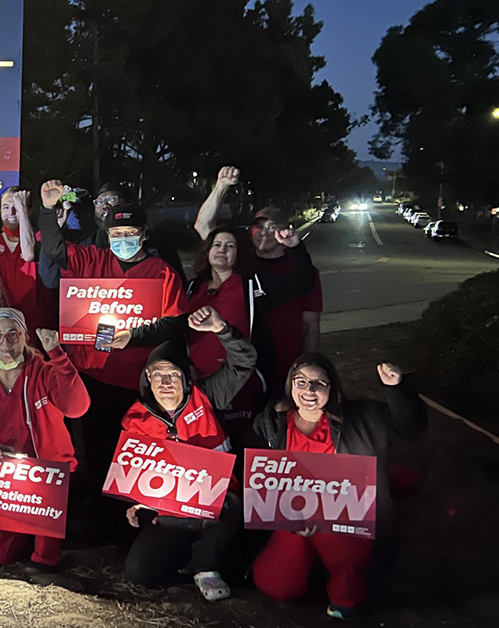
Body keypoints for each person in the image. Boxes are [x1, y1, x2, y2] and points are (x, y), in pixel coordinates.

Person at [39, 180, 186, 509]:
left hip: (136, 380)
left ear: (143, 234)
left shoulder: (162, 273)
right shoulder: (93, 260)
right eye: (115, 235)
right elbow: (53, 250)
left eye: (129, 233)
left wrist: (132, 337)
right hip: (93, 375)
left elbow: (174, 323)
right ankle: (99, 512)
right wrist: (48, 211)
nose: (122, 240)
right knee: (94, 447)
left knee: (133, 450)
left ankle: (132, 512)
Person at [250, 356, 426, 620]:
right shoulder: (272, 423)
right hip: (294, 517)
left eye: (318, 383)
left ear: (331, 388)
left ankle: (346, 598)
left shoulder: (361, 416)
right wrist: (282, 515)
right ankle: (314, 572)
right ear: (291, 385)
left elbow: (409, 427)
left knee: (348, 569)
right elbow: (262, 476)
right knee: (275, 584)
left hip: (342, 516)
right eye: (302, 382)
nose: (309, 391)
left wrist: (397, 388)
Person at [117, 307, 257, 602]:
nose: (165, 383)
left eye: (173, 374)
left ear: (186, 376)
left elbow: (244, 363)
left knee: (232, 510)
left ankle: (206, 566)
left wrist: (222, 329)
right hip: (172, 514)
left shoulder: (207, 397)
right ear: (147, 377)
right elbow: (134, 472)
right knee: (139, 572)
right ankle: (191, 567)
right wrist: (139, 504)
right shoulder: (135, 419)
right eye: (158, 375)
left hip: (215, 505)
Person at [0, 309, 90, 569]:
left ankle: (47, 534)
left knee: (45, 559)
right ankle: (24, 533)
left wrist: (58, 355)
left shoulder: (44, 370)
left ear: (25, 337)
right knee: (0, 556)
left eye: (12, 335)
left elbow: (77, 408)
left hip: (45, 474)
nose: (5, 344)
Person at [117, 226, 266, 435]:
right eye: (217, 245)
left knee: (237, 434)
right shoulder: (194, 287)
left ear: (238, 253)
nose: (222, 250)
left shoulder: (251, 286)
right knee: (201, 433)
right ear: (207, 251)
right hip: (196, 378)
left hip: (235, 376)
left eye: (230, 246)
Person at [194, 167, 320, 387]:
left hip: (281, 368)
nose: (264, 232)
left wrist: (307, 366)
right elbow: (203, 226)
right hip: (232, 368)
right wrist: (221, 186)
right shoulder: (240, 267)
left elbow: (311, 323)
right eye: (259, 226)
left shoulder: (297, 271)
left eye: (272, 227)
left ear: (285, 230)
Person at [45, 182, 186, 281]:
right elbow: (51, 274)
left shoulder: (160, 251)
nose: (105, 206)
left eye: (112, 200)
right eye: (99, 202)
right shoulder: (89, 247)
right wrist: (49, 212)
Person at [0, 188, 57, 348]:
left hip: (39, 319)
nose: (11, 212)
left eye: (17, 206)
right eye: (6, 207)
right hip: (8, 322)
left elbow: (29, 252)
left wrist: (23, 213)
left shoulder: (40, 238)